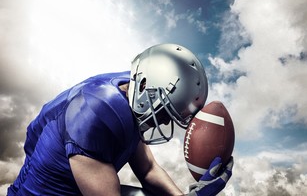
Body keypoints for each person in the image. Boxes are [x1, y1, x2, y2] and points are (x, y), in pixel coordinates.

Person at [8, 43, 233, 196]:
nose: (164, 123)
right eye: (165, 112)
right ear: (145, 86)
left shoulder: (135, 89)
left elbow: (147, 170)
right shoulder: (97, 112)